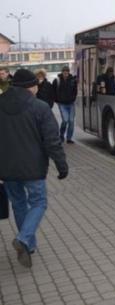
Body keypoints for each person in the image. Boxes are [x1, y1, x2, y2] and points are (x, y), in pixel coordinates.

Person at [0, 69, 69, 268]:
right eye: (36, 85)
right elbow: (52, 141)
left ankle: (28, 245)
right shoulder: (40, 107)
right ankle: (23, 239)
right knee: (39, 202)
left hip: (7, 168)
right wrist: (61, 165)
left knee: (19, 204)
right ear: (30, 86)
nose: (38, 88)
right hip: (33, 167)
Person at [52, 66, 78, 144]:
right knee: (65, 120)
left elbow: (75, 91)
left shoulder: (73, 80)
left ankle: (69, 138)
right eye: (64, 71)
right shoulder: (57, 80)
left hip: (71, 104)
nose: (66, 73)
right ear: (62, 72)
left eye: (67, 71)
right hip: (62, 104)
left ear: (69, 72)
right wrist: (56, 100)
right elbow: (53, 91)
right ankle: (61, 135)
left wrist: (73, 98)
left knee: (71, 121)